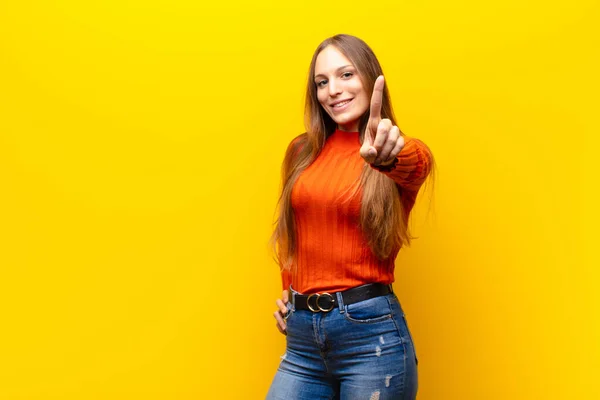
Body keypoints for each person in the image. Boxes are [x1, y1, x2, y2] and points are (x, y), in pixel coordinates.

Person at [266, 34, 434, 400]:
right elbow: (292, 233)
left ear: (371, 78)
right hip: (302, 341)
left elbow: (415, 165)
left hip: (371, 338)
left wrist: (388, 156)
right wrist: (287, 289)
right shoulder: (301, 151)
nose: (333, 91)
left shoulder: (395, 148)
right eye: (322, 82)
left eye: (346, 75)